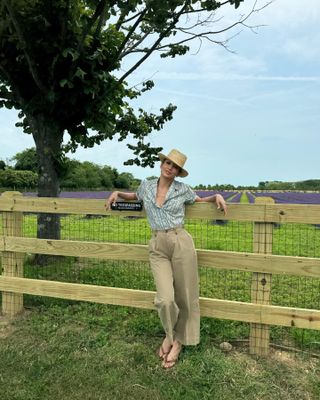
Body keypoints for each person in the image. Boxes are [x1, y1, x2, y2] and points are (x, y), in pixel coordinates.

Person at [105, 149, 227, 369]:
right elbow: (136, 196)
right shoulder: (146, 185)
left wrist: (216, 196)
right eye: (168, 163)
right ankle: (170, 334)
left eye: (175, 167)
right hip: (157, 244)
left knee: (186, 295)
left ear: (179, 172)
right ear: (162, 163)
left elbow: (199, 199)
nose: (170, 168)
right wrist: (118, 193)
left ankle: (179, 341)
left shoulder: (183, 190)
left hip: (180, 241)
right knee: (165, 299)